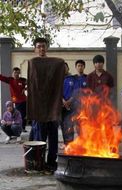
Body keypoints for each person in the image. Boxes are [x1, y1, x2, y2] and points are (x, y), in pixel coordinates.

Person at [27, 37, 65, 173]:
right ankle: (40, 163)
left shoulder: (55, 63)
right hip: (39, 108)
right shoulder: (33, 63)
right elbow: (32, 85)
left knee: (53, 139)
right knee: (40, 139)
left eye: (43, 46)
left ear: (47, 47)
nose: (41, 49)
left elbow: (62, 66)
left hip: (52, 107)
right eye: (39, 46)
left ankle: (51, 163)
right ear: (35, 49)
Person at [0, 67, 27, 132]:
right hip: (17, 101)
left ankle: (22, 127)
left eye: (18, 72)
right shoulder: (10, 80)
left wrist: (25, 88)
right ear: (13, 73)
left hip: (24, 99)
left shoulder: (23, 80)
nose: (16, 74)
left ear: (19, 73)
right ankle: (19, 127)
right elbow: (1, 78)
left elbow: (31, 83)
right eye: (15, 72)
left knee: (24, 114)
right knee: (19, 114)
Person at [61, 62, 75, 145]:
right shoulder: (58, 79)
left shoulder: (73, 79)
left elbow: (75, 91)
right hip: (61, 106)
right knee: (63, 126)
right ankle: (66, 143)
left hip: (71, 106)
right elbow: (57, 92)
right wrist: (63, 100)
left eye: (65, 67)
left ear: (68, 68)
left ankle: (71, 144)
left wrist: (70, 100)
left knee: (70, 125)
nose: (64, 69)